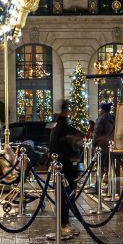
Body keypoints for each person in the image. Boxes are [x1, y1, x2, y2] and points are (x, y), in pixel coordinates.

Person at [48, 100, 83, 236]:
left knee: (63, 196)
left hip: (60, 166)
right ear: (67, 111)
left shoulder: (56, 125)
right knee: (66, 196)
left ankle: (64, 223)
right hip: (66, 167)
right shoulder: (64, 127)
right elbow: (68, 144)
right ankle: (64, 224)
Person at [92, 102, 115, 172]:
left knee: (100, 164)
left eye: (100, 109)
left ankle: (100, 180)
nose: (99, 110)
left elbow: (97, 133)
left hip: (101, 144)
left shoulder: (101, 119)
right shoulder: (113, 118)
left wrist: (94, 144)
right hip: (109, 144)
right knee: (108, 164)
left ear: (103, 110)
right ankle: (106, 178)